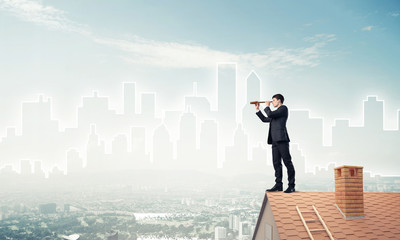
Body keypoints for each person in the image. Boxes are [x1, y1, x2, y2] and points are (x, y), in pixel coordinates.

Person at [255, 94, 296, 193]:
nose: (272, 102)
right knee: (276, 163)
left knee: (287, 162)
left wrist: (267, 106)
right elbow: (265, 119)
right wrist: (257, 109)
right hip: (274, 141)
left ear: (279, 100)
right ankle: (278, 185)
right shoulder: (275, 114)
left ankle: (291, 185)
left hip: (282, 139)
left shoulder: (283, 109)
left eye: (273, 100)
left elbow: (270, 114)